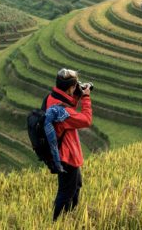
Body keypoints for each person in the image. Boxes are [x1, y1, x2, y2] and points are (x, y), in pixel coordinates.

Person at [43, 68, 93, 221]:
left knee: (75, 186)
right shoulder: (62, 112)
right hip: (66, 156)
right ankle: (57, 222)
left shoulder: (52, 98)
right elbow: (86, 120)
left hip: (62, 152)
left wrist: (76, 95)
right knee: (66, 192)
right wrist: (85, 98)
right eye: (74, 87)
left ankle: (67, 218)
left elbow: (68, 106)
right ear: (70, 87)